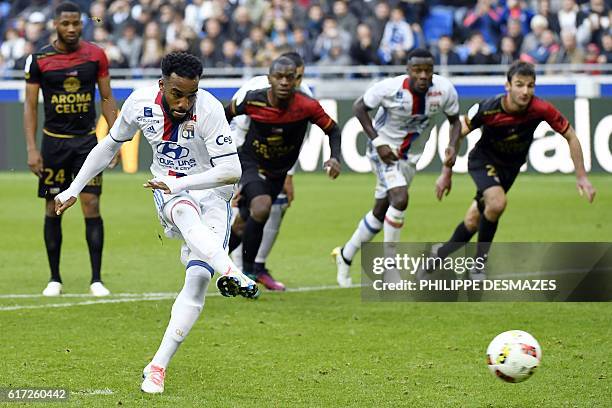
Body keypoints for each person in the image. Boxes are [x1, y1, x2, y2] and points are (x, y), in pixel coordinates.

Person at [54, 51, 259, 394]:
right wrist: (74, 189)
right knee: (182, 212)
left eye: (190, 94)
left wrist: (180, 183)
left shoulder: (208, 109)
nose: (184, 102)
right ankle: (231, 271)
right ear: (162, 83)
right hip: (168, 188)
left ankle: (157, 366)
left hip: (213, 195)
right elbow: (108, 147)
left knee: (195, 282)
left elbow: (231, 171)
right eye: (177, 93)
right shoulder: (139, 103)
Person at [432, 61, 596, 279]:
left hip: (509, 170)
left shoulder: (541, 109)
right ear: (507, 85)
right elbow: (457, 132)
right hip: (483, 162)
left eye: (530, 85)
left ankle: (438, 255)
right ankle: (479, 265)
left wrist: (582, 176)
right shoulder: (487, 108)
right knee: (497, 203)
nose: (525, 91)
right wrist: (446, 172)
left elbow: (571, 136)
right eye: (519, 84)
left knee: (473, 221)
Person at [332, 48, 461, 287]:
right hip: (384, 152)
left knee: (381, 212)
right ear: (408, 71)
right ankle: (390, 269)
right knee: (400, 199)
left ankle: (345, 255)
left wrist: (453, 146)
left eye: (428, 71)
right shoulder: (389, 89)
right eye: (417, 70)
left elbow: (455, 121)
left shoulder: (444, 90)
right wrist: (378, 142)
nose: (423, 75)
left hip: (410, 158)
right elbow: (359, 108)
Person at [23, 1, 118, 297]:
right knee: (53, 208)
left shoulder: (95, 56)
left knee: (91, 205)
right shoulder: (39, 59)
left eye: (77, 23)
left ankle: (97, 279)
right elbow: (29, 106)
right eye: (66, 24)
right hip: (53, 145)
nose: (72, 28)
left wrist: (114, 141)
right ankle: (54, 278)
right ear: (56, 25)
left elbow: (106, 99)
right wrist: (31, 148)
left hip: (87, 144)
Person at [225, 55, 342, 289]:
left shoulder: (307, 104)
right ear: (270, 79)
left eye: (291, 77)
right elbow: (225, 116)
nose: (286, 82)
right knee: (262, 206)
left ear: (298, 77)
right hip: (250, 161)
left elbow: (333, 130)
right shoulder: (253, 98)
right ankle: (248, 272)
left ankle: (210, 261)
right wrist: (226, 167)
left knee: (244, 221)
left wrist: (334, 157)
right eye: (280, 77)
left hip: (278, 170)